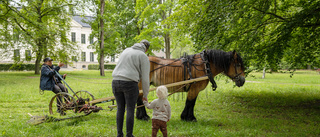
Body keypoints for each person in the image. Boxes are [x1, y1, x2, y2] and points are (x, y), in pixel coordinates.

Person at [112, 40, 151, 137]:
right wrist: (145, 95)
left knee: (120, 109)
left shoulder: (126, 50)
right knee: (130, 109)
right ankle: (129, 135)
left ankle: (119, 134)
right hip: (130, 83)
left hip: (115, 81)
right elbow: (145, 79)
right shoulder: (143, 56)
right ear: (146, 50)